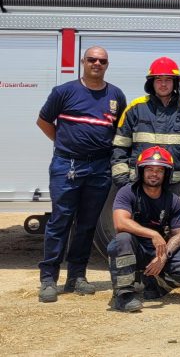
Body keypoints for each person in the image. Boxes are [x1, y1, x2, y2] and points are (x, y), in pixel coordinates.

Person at [36, 46, 126, 303]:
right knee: (60, 221)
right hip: (68, 166)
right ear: (83, 62)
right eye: (92, 59)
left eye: (102, 60)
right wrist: (65, 145)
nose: (97, 63)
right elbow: (43, 121)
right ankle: (49, 279)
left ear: (107, 64)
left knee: (87, 224)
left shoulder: (116, 95)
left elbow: (118, 130)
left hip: (100, 168)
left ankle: (76, 277)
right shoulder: (64, 92)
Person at [107, 146, 180, 312]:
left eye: (159, 170)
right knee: (122, 239)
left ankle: (155, 284)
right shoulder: (127, 192)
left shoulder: (172, 200)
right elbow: (120, 223)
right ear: (141, 171)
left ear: (166, 174)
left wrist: (163, 256)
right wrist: (152, 234)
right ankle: (123, 295)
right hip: (134, 248)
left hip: (157, 250)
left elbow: (179, 234)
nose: (154, 174)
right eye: (149, 169)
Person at [111, 57, 180, 207]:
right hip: (138, 185)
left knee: (175, 230)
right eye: (158, 79)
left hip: (175, 187)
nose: (163, 84)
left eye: (168, 79)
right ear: (151, 82)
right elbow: (120, 147)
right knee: (137, 229)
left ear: (175, 83)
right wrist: (125, 185)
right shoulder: (135, 108)